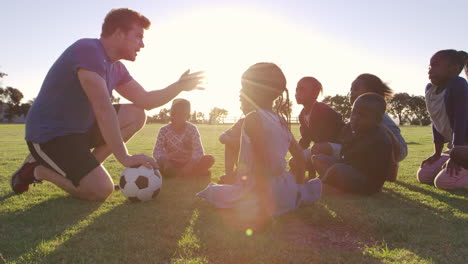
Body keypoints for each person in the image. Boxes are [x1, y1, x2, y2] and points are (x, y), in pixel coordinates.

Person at [10, 8, 205, 200]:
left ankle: (85, 173)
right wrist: (125, 158)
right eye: (138, 36)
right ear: (119, 34)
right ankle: (37, 170)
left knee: (137, 114)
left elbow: (146, 100)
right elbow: (103, 109)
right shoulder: (87, 50)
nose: (142, 44)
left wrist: (179, 86)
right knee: (101, 190)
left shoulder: (116, 68)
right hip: (50, 136)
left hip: (81, 131)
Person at [197, 63, 322, 229]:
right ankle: (299, 195)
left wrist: (265, 206)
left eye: (244, 87)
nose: (240, 92)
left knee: (213, 192)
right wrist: (297, 189)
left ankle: (265, 204)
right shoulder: (281, 120)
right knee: (288, 192)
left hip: (261, 190)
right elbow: (299, 157)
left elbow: (261, 163)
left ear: (255, 90)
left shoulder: (252, 118)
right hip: (285, 188)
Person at [312, 93, 394, 195]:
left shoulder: (379, 138)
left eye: (362, 115)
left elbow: (379, 171)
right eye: (353, 112)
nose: (355, 118)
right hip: (348, 169)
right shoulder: (348, 129)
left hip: (367, 180)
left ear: (377, 120)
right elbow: (344, 156)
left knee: (338, 169)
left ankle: (322, 185)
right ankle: (333, 184)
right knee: (319, 158)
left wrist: (339, 168)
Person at [417, 49, 468, 190]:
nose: (430, 70)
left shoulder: (459, 84)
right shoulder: (430, 89)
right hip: (455, 149)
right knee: (424, 175)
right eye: (429, 66)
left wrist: (457, 156)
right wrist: (437, 153)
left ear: (454, 69)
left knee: (444, 183)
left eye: (435, 66)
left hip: (464, 148)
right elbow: (436, 119)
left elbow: (461, 120)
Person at [290, 77, 344, 178]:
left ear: (314, 94)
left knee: (317, 148)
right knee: (293, 161)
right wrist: (296, 153)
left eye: (302, 89)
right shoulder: (302, 115)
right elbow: (305, 140)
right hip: (321, 149)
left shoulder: (323, 110)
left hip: (341, 149)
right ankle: (291, 182)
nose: (297, 92)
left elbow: (323, 140)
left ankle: (317, 177)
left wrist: (310, 168)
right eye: (296, 89)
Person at [153, 99, 214, 178]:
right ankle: (194, 173)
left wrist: (190, 164)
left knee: (209, 159)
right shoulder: (164, 130)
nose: (178, 117)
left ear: (187, 116)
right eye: (176, 114)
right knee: (156, 164)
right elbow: (157, 151)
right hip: (171, 162)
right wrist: (166, 162)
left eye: (182, 115)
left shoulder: (192, 129)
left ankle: (188, 172)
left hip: (189, 161)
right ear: (172, 114)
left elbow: (198, 150)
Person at [217, 102, 254, 184]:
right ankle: (230, 175)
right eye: (243, 108)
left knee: (231, 141)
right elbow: (222, 137)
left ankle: (232, 176)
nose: (244, 110)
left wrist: (232, 140)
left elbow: (252, 144)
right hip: (245, 161)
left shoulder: (257, 123)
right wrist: (231, 140)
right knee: (230, 141)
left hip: (255, 162)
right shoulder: (242, 122)